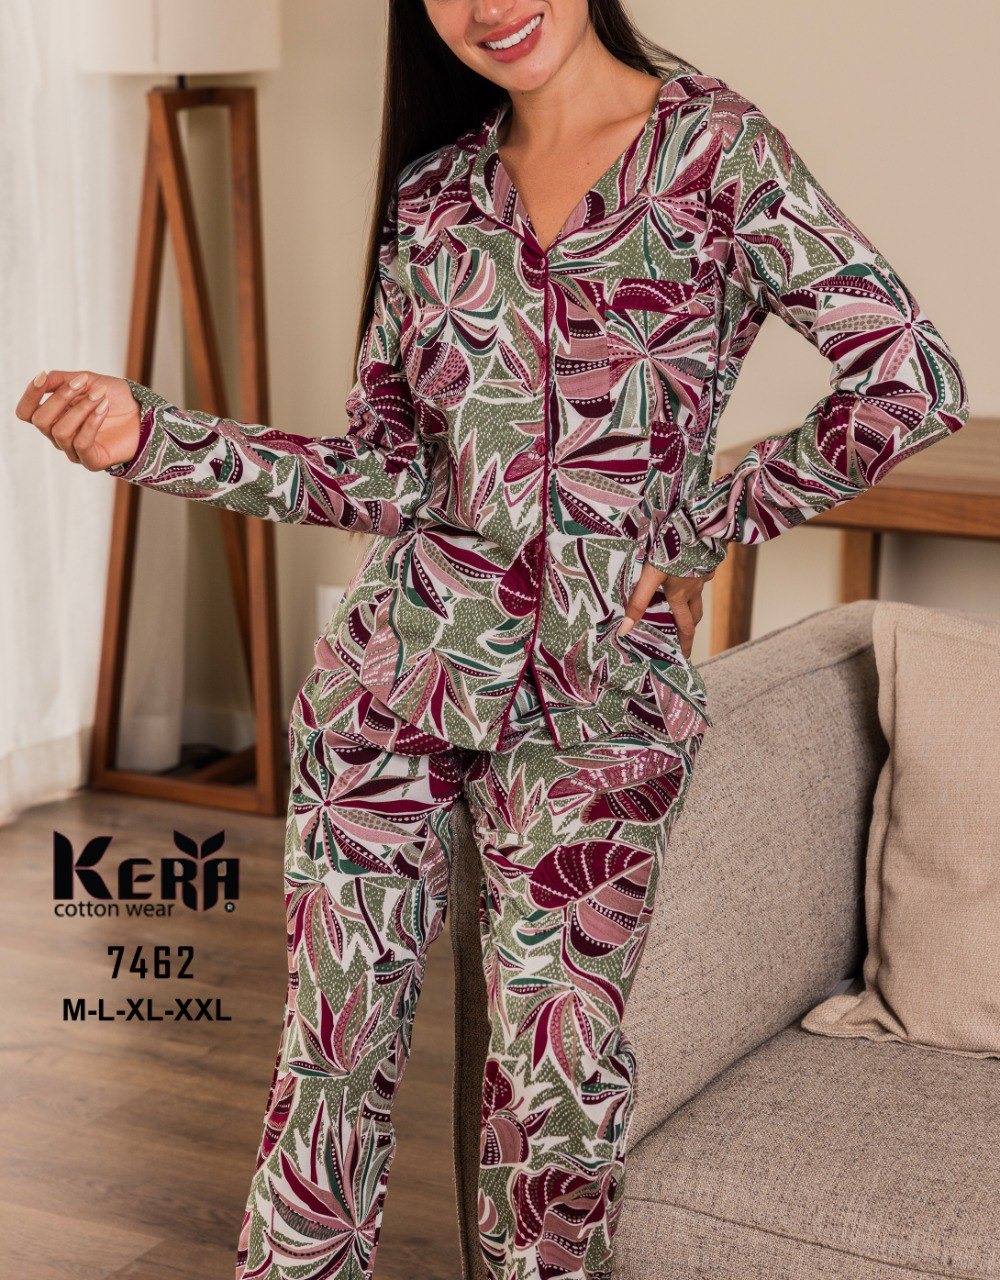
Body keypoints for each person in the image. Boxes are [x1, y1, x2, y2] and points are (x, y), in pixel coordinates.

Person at [16, 1, 970, 1277]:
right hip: (390, 677)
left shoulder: (717, 150)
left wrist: (693, 528)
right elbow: (382, 473)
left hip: (595, 704)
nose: (485, 4)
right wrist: (156, 438)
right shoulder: (435, 195)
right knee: (328, 1063)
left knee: (554, 1092)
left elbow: (910, 377)